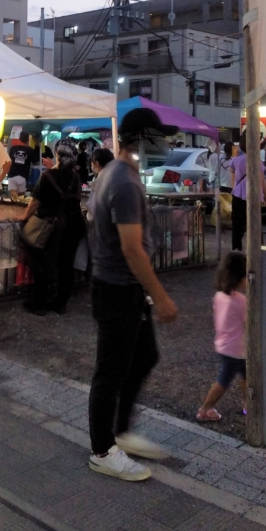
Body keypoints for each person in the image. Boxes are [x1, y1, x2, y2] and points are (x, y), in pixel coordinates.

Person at [88, 108, 178, 482]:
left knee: (142, 357)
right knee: (110, 371)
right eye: (159, 136)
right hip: (118, 288)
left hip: (121, 288)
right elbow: (131, 249)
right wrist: (162, 296)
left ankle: (121, 432)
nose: (166, 143)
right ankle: (102, 450)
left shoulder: (115, 173)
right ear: (141, 138)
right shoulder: (124, 183)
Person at [20, 141, 86, 315]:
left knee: (41, 262)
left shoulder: (47, 176)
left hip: (52, 227)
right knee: (66, 264)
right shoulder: (76, 177)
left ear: (57, 155)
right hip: (75, 225)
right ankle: (60, 303)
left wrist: (24, 218)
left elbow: (35, 202)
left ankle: (39, 303)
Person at [196, 251, 247, 422]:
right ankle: (205, 409)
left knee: (247, 375)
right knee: (224, 380)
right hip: (236, 349)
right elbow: (249, 322)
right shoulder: (240, 301)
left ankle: (249, 406)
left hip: (224, 344)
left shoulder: (219, 295)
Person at [230, 133, 266, 252]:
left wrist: (234, 189)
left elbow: (232, 177)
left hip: (238, 195)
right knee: (256, 224)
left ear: (241, 147)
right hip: (255, 195)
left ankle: (237, 251)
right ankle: (258, 250)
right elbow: (261, 180)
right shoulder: (257, 161)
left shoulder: (235, 161)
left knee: (237, 225)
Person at [7, 131, 36, 196]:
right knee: (21, 199)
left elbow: (8, 161)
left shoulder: (12, 148)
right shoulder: (30, 150)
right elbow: (35, 162)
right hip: (23, 176)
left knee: (13, 198)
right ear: (28, 139)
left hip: (12, 175)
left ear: (19, 138)